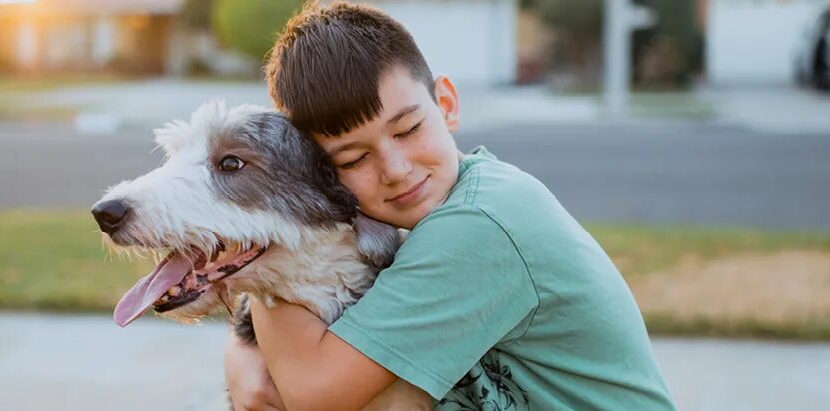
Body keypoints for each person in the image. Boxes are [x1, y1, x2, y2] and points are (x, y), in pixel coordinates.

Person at [224, 2, 677, 410]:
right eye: (354, 158)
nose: (396, 169)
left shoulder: (479, 224)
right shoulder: (420, 217)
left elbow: (314, 393)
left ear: (447, 104)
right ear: (324, 174)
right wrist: (243, 345)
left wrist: (269, 261)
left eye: (408, 129)